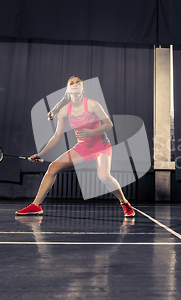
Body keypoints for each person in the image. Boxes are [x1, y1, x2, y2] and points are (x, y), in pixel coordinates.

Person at [15, 76, 135, 217]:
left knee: (104, 176)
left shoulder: (92, 104)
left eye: (78, 83)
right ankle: (36, 206)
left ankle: (124, 202)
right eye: (71, 83)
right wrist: (40, 154)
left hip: (101, 146)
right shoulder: (64, 111)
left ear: (83, 89)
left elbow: (109, 124)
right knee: (52, 167)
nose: (75, 84)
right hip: (82, 148)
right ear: (68, 89)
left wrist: (92, 131)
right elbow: (56, 137)